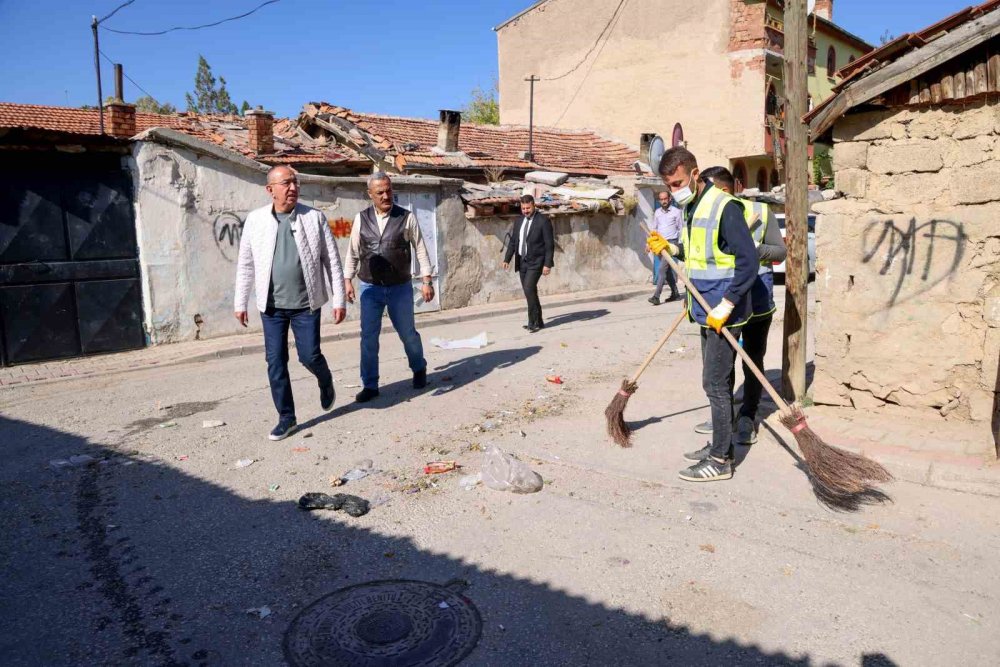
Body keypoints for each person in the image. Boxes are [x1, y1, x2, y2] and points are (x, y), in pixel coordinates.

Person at [647, 147, 758, 482]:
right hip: (704, 309)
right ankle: (721, 445)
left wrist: (728, 303)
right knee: (719, 381)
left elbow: (748, 261)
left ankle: (720, 460)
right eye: (669, 185)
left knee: (714, 383)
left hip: (724, 311)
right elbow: (697, 255)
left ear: (695, 174)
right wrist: (670, 248)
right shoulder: (693, 207)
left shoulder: (724, 207)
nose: (674, 190)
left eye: (678, 183)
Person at [234, 166, 347, 441]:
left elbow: (332, 261)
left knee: (309, 356)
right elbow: (246, 264)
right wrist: (241, 302)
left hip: (306, 304)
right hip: (271, 307)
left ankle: (325, 379)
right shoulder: (256, 220)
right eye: (286, 183)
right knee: (275, 362)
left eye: (295, 183)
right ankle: (287, 417)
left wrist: (339, 299)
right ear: (270, 189)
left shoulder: (314, 218)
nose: (293, 188)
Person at [699, 166, 786, 445]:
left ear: (725, 190)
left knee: (753, 361)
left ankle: (748, 415)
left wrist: (752, 250)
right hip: (725, 304)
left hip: (758, 300)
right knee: (721, 367)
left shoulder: (759, 211)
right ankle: (723, 419)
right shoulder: (705, 215)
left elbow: (780, 251)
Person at [343, 172, 434, 403]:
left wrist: (426, 280)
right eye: (380, 192)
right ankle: (370, 385)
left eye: (389, 190)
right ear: (370, 194)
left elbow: (421, 249)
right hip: (370, 287)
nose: (386, 196)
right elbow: (353, 252)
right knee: (368, 338)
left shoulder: (406, 217)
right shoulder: (361, 219)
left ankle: (419, 367)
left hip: (399, 288)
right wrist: (347, 280)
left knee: (408, 334)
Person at [502, 195, 554, 332]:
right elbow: (513, 241)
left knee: (529, 288)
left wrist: (547, 264)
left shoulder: (543, 221)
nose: (525, 211)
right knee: (530, 291)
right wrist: (507, 259)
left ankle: (533, 322)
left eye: (528, 208)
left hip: (536, 262)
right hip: (522, 261)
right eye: (523, 208)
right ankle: (539, 321)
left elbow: (549, 245)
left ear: (533, 206)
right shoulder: (519, 221)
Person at [648, 190, 683, 305]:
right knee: (667, 271)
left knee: (662, 269)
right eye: (661, 199)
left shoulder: (676, 212)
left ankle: (656, 296)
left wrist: (680, 245)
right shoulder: (657, 212)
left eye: (665, 199)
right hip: (659, 244)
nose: (663, 201)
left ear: (670, 199)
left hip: (670, 244)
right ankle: (675, 293)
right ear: (659, 200)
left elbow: (681, 229)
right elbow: (654, 229)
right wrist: (649, 244)